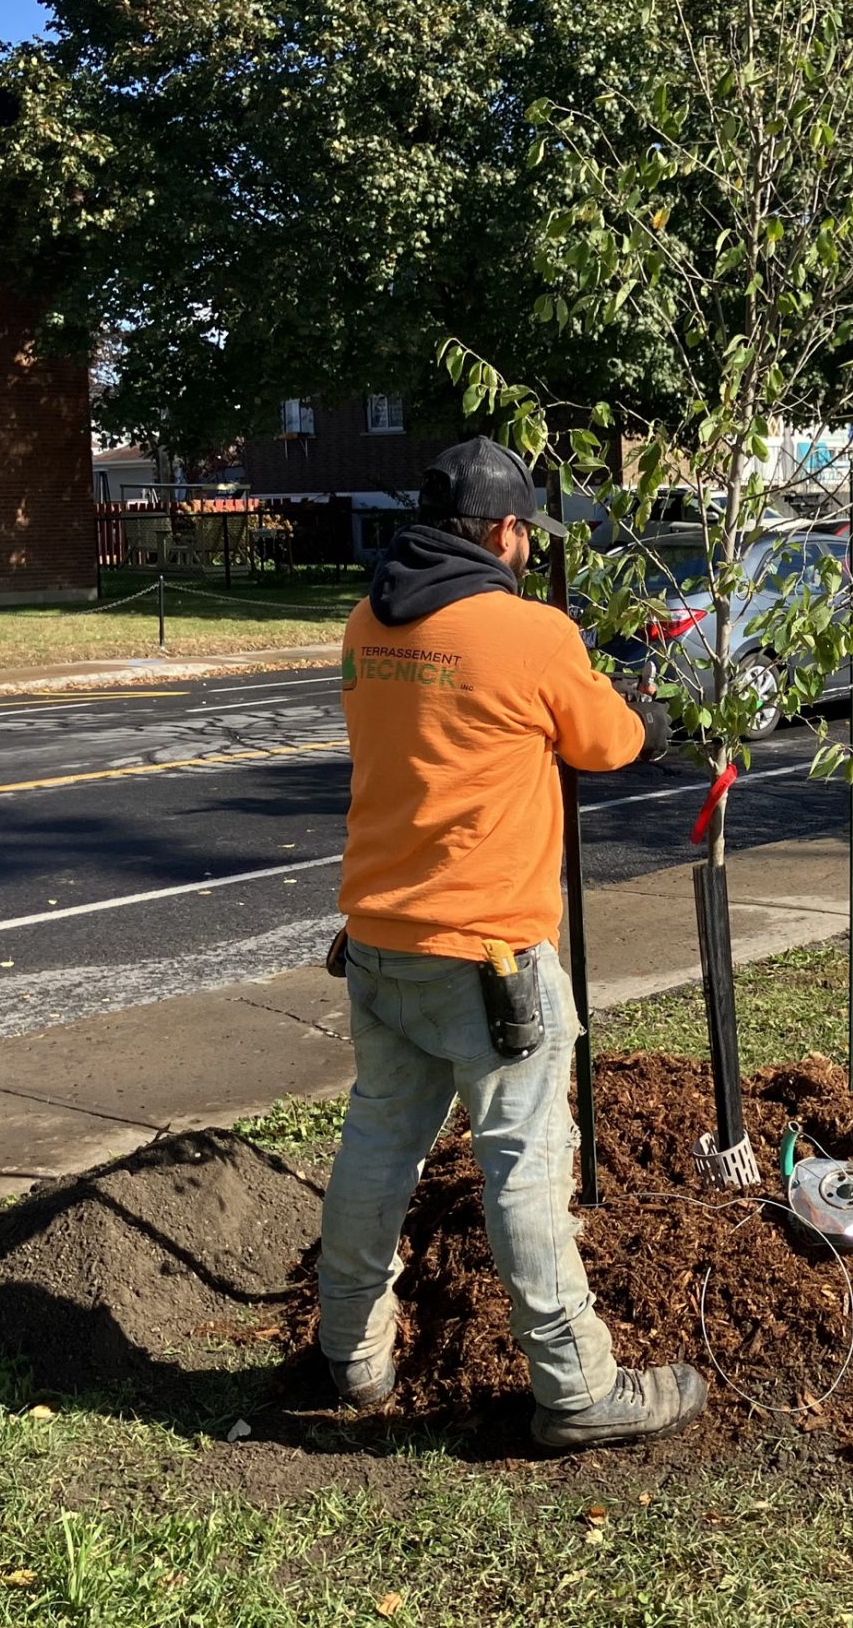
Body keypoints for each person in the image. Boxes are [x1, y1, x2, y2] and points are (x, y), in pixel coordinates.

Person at [317, 436, 703, 1449]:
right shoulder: (529, 632)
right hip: (489, 959)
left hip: (380, 942)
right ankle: (576, 1390)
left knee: (376, 1149)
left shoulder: (367, 621)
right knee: (527, 1168)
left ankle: (352, 1353)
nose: (529, 546)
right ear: (500, 532)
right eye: (526, 531)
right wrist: (651, 717)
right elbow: (609, 741)